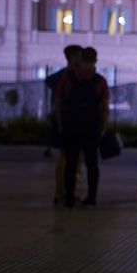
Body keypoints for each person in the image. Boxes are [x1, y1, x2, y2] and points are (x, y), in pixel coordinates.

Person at [55, 46, 109, 207]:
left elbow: (58, 102)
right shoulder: (100, 81)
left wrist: (60, 123)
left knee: (71, 163)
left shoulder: (68, 78)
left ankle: (69, 197)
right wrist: (103, 127)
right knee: (92, 164)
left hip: (71, 125)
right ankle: (91, 198)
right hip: (91, 127)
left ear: (81, 59)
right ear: (95, 60)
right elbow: (104, 107)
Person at [48, 45, 83, 205]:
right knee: (68, 157)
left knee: (71, 157)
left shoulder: (61, 76)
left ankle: (65, 191)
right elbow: (58, 101)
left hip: (65, 120)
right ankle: (63, 191)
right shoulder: (68, 77)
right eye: (79, 56)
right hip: (68, 120)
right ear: (73, 57)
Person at [44, 44, 83, 159]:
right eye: (78, 56)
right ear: (72, 57)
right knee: (68, 152)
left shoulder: (68, 75)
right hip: (67, 115)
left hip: (74, 116)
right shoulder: (64, 76)